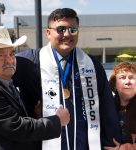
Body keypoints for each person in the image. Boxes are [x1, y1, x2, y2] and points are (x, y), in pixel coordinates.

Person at [13, 8, 121, 150]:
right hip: (42, 142)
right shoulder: (28, 62)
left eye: (73, 29)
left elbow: (105, 105)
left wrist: (111, 141)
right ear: (48, 32)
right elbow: (4, 92)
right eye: (61, 29)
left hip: (84, 142)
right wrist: (30, 111)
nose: (67, 34)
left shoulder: (92, 64)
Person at [0, 26, 70, 150]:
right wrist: (57, 121)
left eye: (11, 53)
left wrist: (35, 114)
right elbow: (17, 128)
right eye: (1, 55)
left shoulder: (7, 83)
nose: (9, 60)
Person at [106, 62, 136, 150]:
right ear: (114, 83)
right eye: (122, 77)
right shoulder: (106, 106)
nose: (127, 82)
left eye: (131, 78)